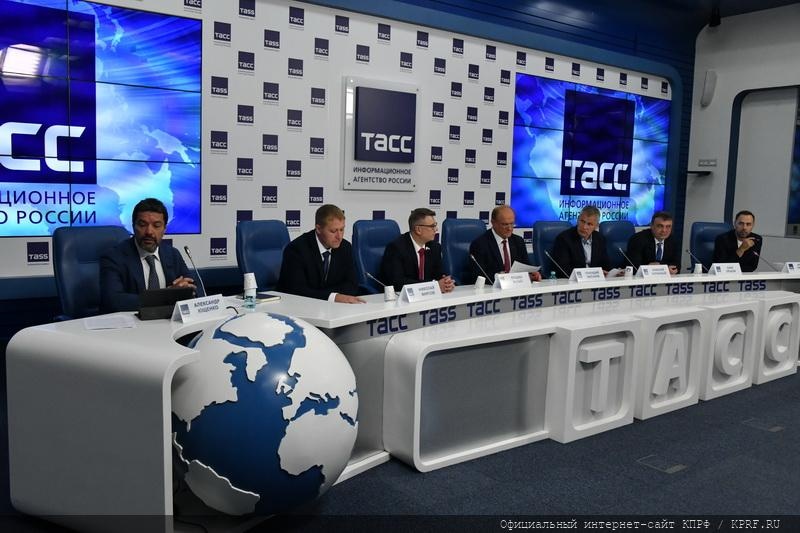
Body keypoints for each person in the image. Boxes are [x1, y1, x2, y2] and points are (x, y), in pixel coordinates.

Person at [99, 197, 197, 313]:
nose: (149, 232)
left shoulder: (172, 254)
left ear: (164, 229)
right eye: (142, 225)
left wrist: (187, 290)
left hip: (168, 321)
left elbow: (195, 287)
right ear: (133, 226)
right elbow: (113, 301)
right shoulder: (114, 257)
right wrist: (167, 296)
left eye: (156, 226)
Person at [277, 204, 364, 303]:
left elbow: (351, 284)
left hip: (331, 307)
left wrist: (329, 296)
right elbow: (298, 291)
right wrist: (333, 297)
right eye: (333, 231)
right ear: (318, 229)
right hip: (296, 306)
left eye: (341, 229)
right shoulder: (297, 249)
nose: (339, 236)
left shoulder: (345, 247)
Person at [380, 208, 456, 293]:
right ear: (418, 230)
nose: (436, 229)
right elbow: (397, 282)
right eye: (432, 226)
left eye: (435, 225)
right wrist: (433, 286)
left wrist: (446, 283)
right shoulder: (396, 248)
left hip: (428, 296)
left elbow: (439, 275)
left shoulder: (435, 247)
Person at [469, 205, 542, 282]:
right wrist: (501, 277)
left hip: (516, 286)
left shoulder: (518, 241)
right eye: (505, 224)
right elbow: (478, 276)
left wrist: (532, 275)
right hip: (493, 287)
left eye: (512, 224)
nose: (510, 228)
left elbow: (526, 267)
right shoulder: (480, 244)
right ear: (493, 223)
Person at [550, 205, 610, 277]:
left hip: (596, 281)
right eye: (582, 221)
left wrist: (613, 272)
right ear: (578, 219)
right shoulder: (564, 239)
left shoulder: (600, 239)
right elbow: (563, 269)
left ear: (596, 226)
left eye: (589, 224)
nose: (584, 227)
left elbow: (606, 265)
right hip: (573, 281)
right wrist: (589, 274)